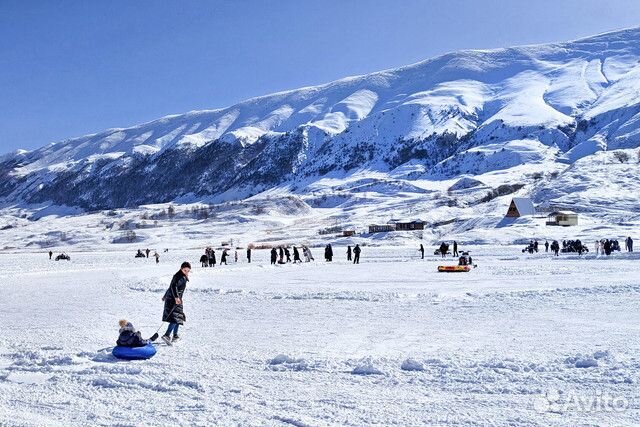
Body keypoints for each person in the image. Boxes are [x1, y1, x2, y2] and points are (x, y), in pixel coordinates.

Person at [161, 262, 190, 345]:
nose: (186, 272)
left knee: (178, 318)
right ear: (181, 268)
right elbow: (173, 287)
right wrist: (176, 297)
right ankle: (167, 335)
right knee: (175, 318)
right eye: (185, 270)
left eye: (188, 271)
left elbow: (170, 287)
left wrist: (165, 295)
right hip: (174, 299)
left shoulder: (182, 276)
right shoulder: (178, 276)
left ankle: (175, 335)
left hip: (176, 299)